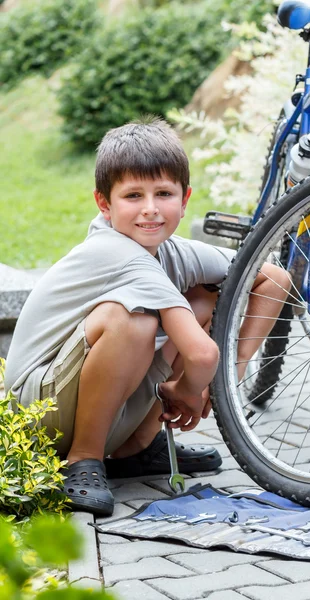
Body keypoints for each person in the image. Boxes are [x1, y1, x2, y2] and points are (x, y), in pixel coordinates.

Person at [5, 117, 291, 516]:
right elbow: (202, 356)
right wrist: (188, 388)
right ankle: (83, 460)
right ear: (104, 204)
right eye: (133, 196)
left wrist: (224, 380)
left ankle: (134, 448)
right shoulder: (115, 252)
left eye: (163, 193)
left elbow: (273, 279)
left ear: (185, 198)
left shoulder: (174, 251)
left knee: (201, 300)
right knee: (132, 321)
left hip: (89, 407)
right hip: (36, 419)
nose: (151, 210)